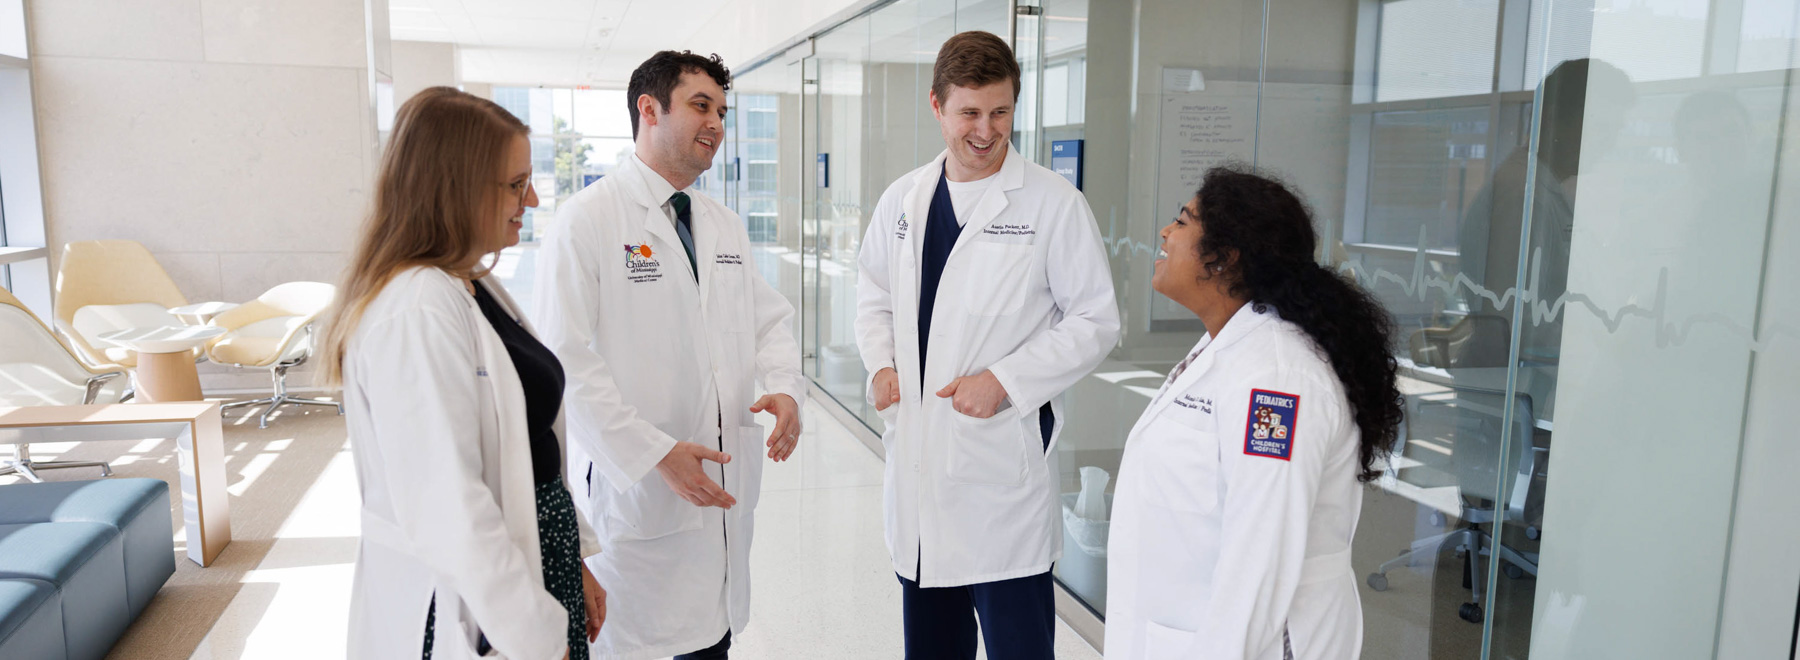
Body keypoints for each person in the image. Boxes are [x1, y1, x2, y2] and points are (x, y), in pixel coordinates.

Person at [853, 30, 1121, 660]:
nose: (985, 129)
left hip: (1000, 480)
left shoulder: (1055, 204)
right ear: (937, 106)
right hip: (920, 478)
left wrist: (1005, 380)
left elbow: (1095, 320)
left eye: (1000, 112)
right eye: (969, 112)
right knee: (933, 649)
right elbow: (873, 292)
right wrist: (881, 364)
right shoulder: (904, 199)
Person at [534, 51, 806, 660]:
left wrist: (786, 387)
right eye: (700, 106)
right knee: (647, 646)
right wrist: (654, 453)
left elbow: (769, 321)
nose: (716, 123)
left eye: (722, 111)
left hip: (721, 501)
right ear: (648, 109)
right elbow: (565, 363)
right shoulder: (587, 222)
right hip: (644, 507)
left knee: (712, 643)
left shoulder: (723, 225)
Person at [322, 86, 606, 660]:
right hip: (480, 604)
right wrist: (533, 633)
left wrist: (571, 556)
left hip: (535, 555)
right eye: (513, 183)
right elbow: (449, 505)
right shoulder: (417, 309)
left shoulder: (467, 284)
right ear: (454, 187)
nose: (529, 198)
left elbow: (527, 446)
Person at [1103, 166, 1404, 660]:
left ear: (1223, 258)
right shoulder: (1230, 347)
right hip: (1180, 627)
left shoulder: (1278, 380)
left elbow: (1260, 557)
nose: (1165, 233)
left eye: (1182, 222)